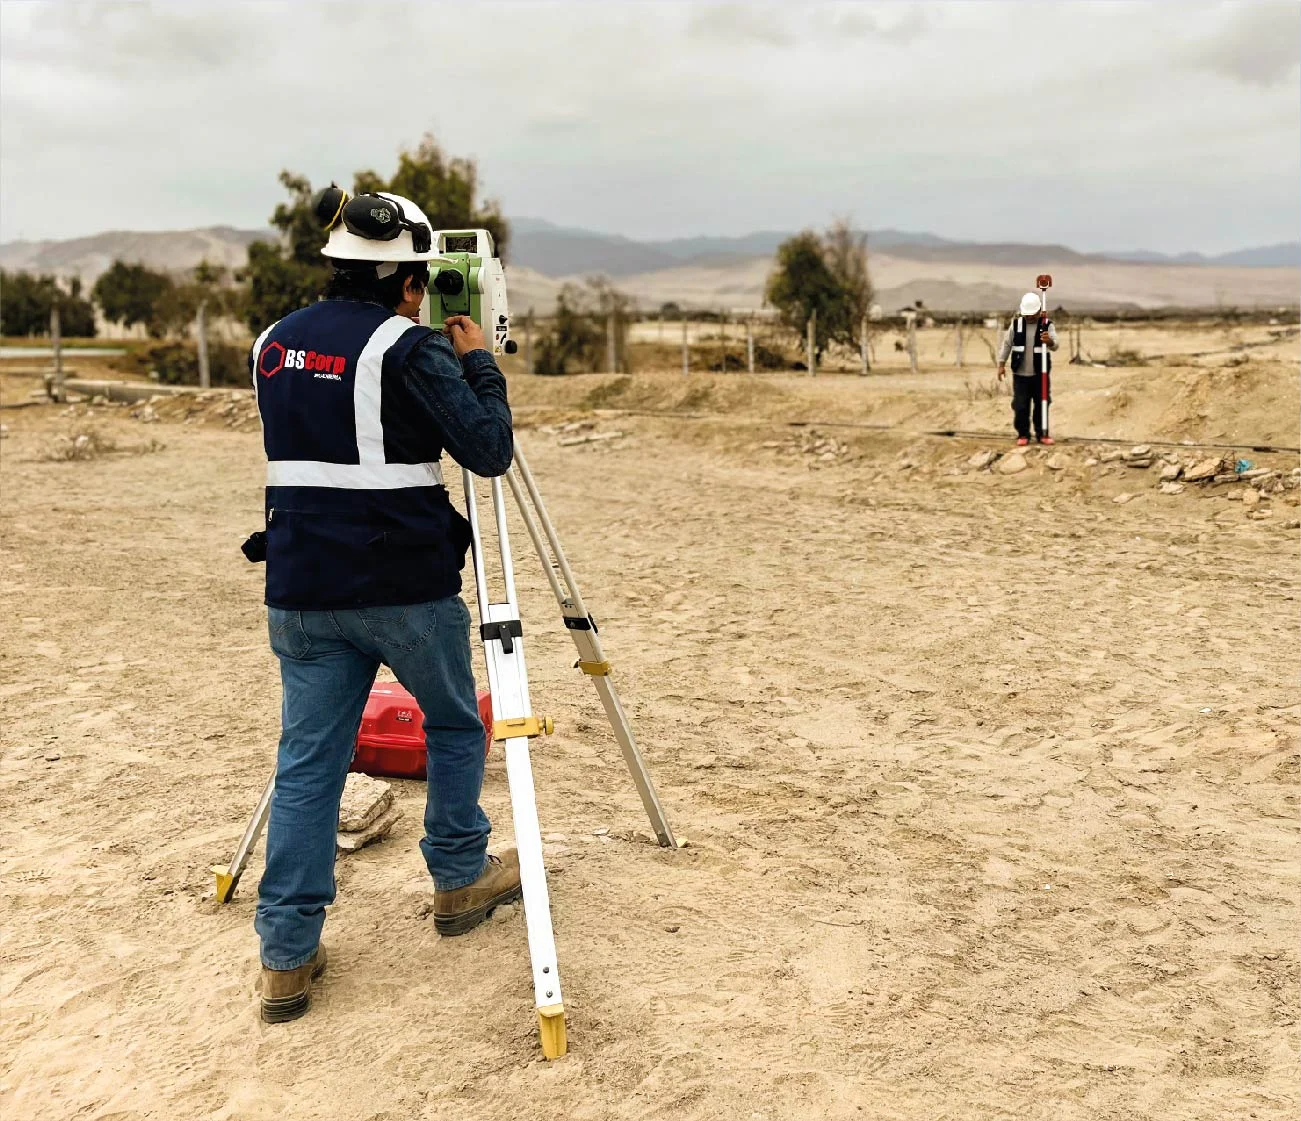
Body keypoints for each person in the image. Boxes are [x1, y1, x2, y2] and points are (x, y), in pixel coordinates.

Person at [245, 189, 520, 1024]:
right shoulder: (406, 348)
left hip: (301, 587)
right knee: (453, 723)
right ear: (408, 279)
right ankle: (458, 878)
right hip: (402, 582)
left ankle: (286, 957)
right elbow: (487, 449)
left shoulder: (272, 342)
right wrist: (478, 362)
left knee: (309, 763)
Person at [997, 291, 1058, 445]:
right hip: (1020, 374)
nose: (1029, 317)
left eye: (1032, 314)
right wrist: (1001, 364)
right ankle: (1023, 434)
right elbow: (1007, 344)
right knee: (1021, 405)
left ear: (1039, 311)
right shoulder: (1016, 324)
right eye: (1027, 314)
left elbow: (1056, 345)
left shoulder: (1047, 325)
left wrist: (1049, 341)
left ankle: (1042, 434)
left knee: (1042, 403)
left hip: (1040, 374)